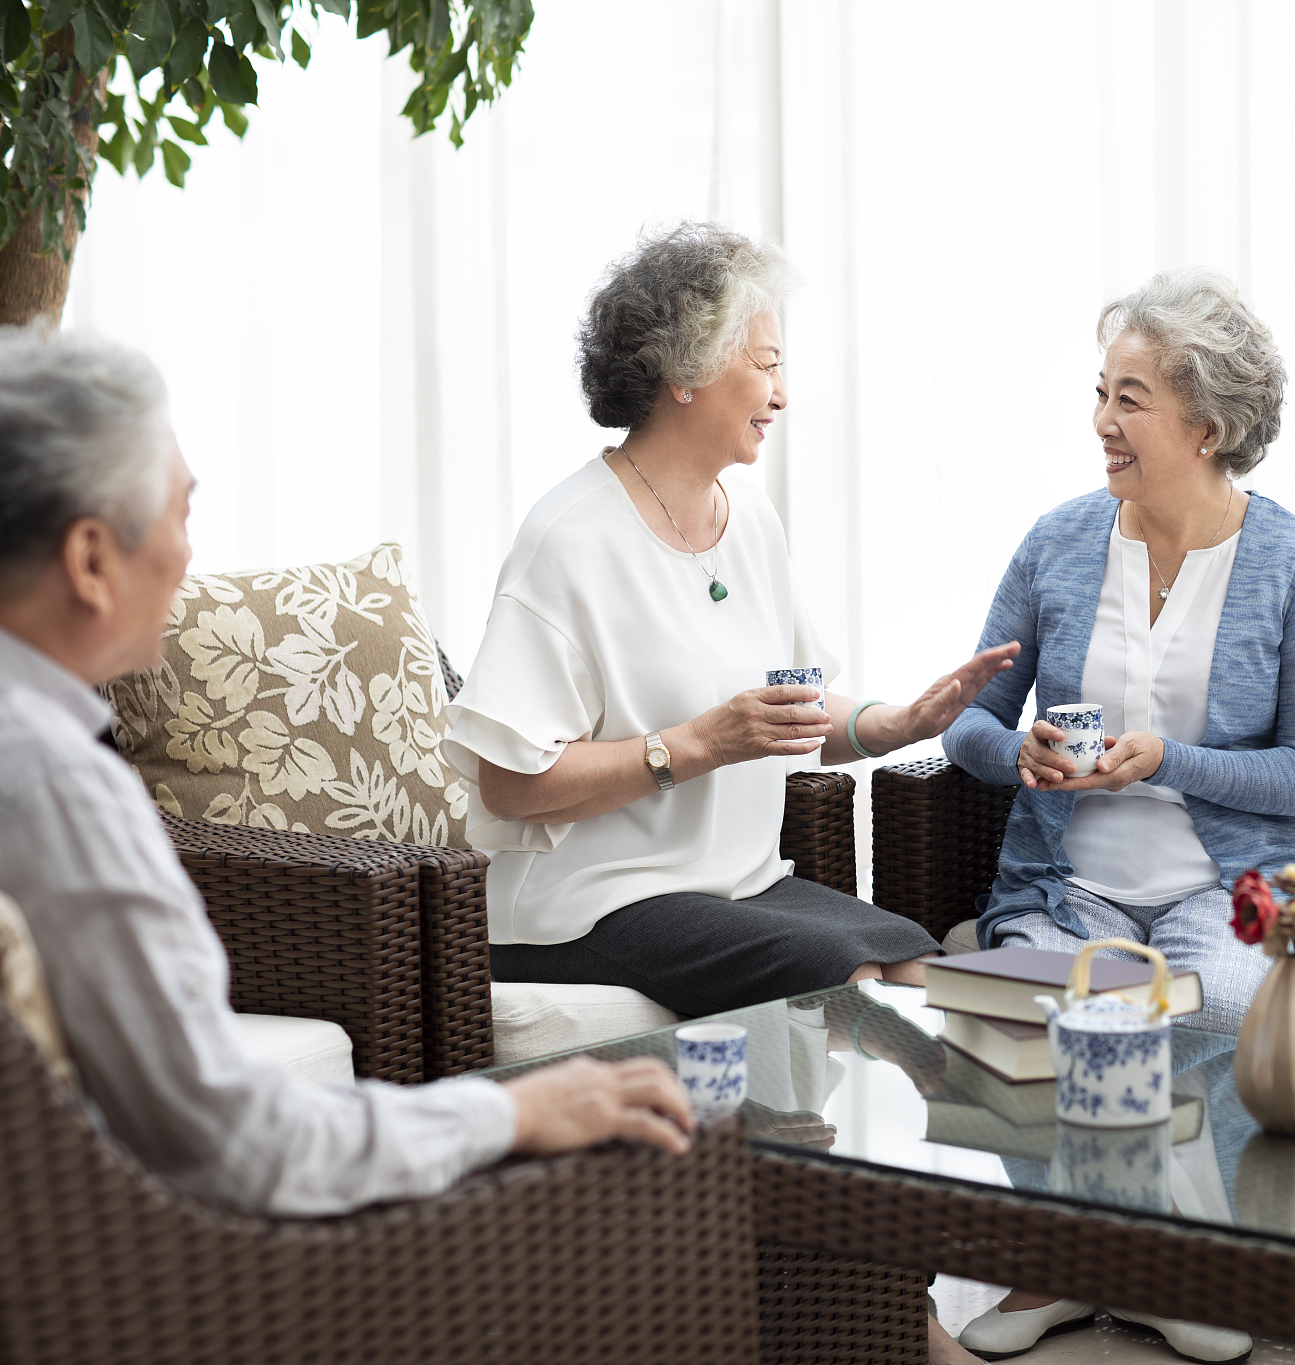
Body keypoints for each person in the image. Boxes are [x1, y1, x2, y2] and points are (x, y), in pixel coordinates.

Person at [0, 328, 697, 1218]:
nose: (187, 551)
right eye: (180, 513)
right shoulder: (57, 789)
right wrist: (510, 1108)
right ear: (92, 561)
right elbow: (242, 1143)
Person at [445, 223, 1016, 1022]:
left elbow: (788, 716)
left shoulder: (749, 520)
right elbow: (507, 784)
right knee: (847, 986)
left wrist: (896, 722)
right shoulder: (569, 540)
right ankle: (821, 1149)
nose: (782, 394)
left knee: (924, 962)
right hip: (587, 905)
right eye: (767, 364)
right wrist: (698, 745)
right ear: (686, 371)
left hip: (741, 885)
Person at [941, 270, 1295, 1360]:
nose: (1100, 422)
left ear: (1205, 426)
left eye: (1129, 398)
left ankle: (1190, 1268)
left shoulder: (1294, 567)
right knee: (1032, 1010)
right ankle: (1059, 1267)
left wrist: (1167, 761)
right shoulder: (1058, 541)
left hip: (1236, 884)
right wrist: (1014, 748)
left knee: (1214, 1004)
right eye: (1100, 391)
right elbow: (964, 726)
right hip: (1063, 883)